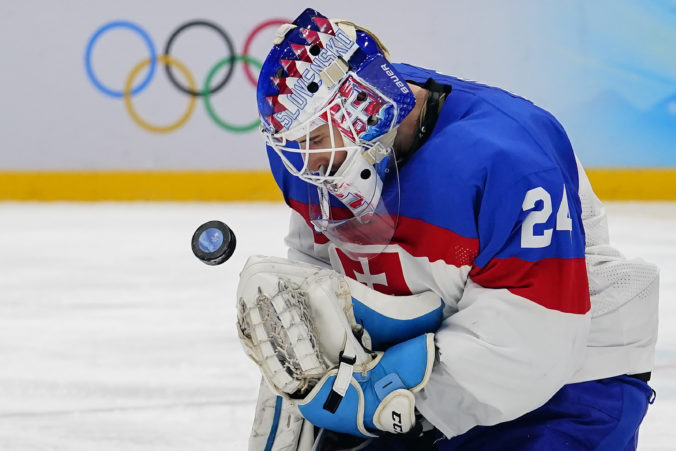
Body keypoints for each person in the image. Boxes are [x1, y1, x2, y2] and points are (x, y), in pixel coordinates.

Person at [243, 7, 659, 450]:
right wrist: (310, 373)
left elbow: (535, 344)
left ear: (360, 108)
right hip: (434, 368)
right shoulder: (322, 159)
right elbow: (317, 278)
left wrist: (384, 395)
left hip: (571, 384)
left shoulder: (509, 163)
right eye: (295, 146)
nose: (307, 163)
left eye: (314, 139)